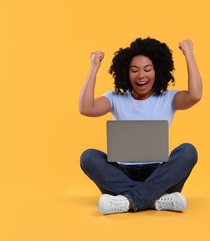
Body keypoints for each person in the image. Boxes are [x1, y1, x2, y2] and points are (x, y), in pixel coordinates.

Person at [79, 37, 202, 215]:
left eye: (147, 69)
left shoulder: (168, 98)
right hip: (122, 173)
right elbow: (85, 108)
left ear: (157, 71)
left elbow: (195, 95)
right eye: (134, 70)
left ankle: (128, 201)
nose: (141, 75)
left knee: (188, 151)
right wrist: (93, 68)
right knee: (88, 157)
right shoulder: (115, 98)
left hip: (159, 173)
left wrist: (189, 54)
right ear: (125, 73)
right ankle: (156, 200)